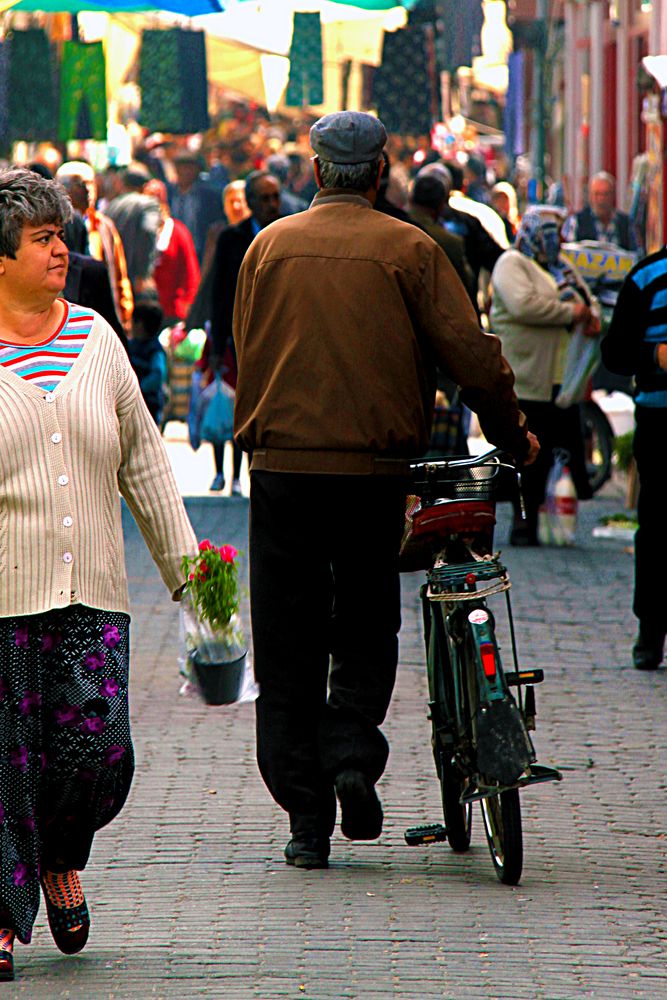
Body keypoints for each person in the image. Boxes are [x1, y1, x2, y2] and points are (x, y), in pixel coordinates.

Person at [232, 111, 538, 870]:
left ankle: (306, 818)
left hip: (280, 471)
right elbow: (472, 357)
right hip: (370, 475)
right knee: (365, 626)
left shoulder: (267, 247)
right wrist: (513, 436)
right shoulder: (409, 248)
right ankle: (347, 756)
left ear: (313, 169)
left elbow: (248, 346)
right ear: (379, 173)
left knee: (286, 642)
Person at [0, 167, 197, 981]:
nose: (62, 249)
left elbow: (146, 465)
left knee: (97, 755)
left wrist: (197, 586)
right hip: (5, 601)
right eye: (44, 238)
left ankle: (61, 855)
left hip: (94, 597)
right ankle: (5, 924)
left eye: (61, 234)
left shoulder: (94, 338)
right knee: (5, 767)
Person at [489, 207, 599, 545]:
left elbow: (588, 300)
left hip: (559, 377)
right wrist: (570, 312)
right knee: (525, 454)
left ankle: (552, 517)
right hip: (525, 376)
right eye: (552, 233)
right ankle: (522, 525)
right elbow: (524, 304)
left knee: (557, 450)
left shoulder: (560, 268)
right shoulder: (512, 263)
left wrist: (589, 313)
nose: (558, 240)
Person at [601, 248, 667, 670]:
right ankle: (652, 628)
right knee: (659, 527)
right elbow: (615, 354)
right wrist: (656, 357)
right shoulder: (648, 276)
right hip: (661, 423)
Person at [208, 170, 281, 495]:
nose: (272, 205)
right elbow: (221, 292)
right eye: (264, 199)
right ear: (251, 202)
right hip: (243, 338)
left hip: (281, 337)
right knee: (244, 403)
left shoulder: (288, 233)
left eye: (275, 197)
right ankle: (239, 471)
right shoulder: (231, 238)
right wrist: (217, 342)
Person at [56, 160, 134, 334]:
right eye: (80, 184)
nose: (88, 190)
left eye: (91, 183)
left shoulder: (104, 226)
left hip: (102, 313)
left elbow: (120, 275)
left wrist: (124, 314)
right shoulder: (55, 226)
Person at [143, 178, 200, 327]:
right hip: (146, 313)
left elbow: (191, 274)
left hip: (173, 313)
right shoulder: (140, 232)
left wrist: (187, 309)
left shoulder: (179, 232)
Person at [105, 162, 161, 298]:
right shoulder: (149, 203)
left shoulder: (111, 206)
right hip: (135, 278)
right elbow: (148, 232)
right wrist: (143, 273)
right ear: (144, 186)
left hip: (113, 276)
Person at [168, 151, 226, 264]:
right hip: (174, 252)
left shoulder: (209, 195)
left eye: (189, 168)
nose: (185, 172)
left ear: (197, 170)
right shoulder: (170, 193)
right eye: (181, 167)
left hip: (199, 251)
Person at [562, 171, 639, 251]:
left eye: (606, 194)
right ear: (590, 196)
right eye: (597, 194)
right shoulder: (577, 221)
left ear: (613, 195)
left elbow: (635, 253)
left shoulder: (625, 223)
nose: (601, 199)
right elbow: (569, 253)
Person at [127, 299, 169, 425]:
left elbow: (158, 374)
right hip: (131, 404)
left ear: (139, 325)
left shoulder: (154, 350)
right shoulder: (131, 345)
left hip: (149, 405)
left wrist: (137, 389)